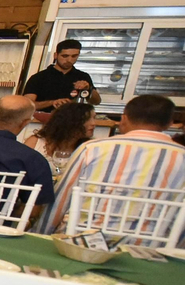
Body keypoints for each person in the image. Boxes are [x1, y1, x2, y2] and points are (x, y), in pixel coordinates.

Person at [37, 94, 185, 236]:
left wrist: (40, 234)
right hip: (151, 249)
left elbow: (62, 198)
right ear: (169, 123)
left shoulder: (93, 149)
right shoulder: (181, 156)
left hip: (81, 239)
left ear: (124, 118)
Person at [24, 102, 96, 181]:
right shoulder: (36, 142)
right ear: (70, 121)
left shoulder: (89, 148)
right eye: (86, 119)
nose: (93, 123)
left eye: (94, 118)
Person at [23, 39, 100, 110]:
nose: (69, 60)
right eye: (65, 56)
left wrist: (88, 88)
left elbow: (96, 101)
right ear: (56, 55)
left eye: (74, 56)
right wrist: (52, 102)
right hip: (44, 120)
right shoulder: (39, 77)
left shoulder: (83, 76)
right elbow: (27, 105)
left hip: (72, 121)